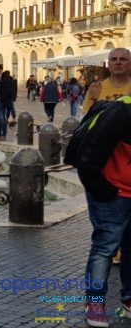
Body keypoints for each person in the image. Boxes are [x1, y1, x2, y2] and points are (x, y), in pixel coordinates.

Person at [73, 95, 131, 326]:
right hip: (114, 194)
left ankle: (128, 300)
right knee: (104, 249)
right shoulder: (122, 113)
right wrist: (105, 191)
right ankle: (94, 302)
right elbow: (87, 158)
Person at [83, 48, 131, 115]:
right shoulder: (96, 88)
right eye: (114, 59)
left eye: (123, 59)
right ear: (108, 64)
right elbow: (86, 119)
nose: (118, 62)